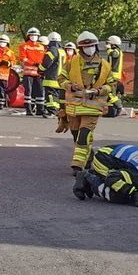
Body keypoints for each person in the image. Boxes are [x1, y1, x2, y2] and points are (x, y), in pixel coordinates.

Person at [62, 31, 113, 175]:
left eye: (92, 46)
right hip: (74, 107)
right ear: (80, 48)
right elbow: (61, 78)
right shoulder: (71, 62)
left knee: (84, 135)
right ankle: (89, 158)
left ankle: (77, 165)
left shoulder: (105, 66)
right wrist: (70, 86)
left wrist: (99, 91)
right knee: (76, 135)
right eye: (86, 47)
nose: (89, 49)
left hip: (92, 107)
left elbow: (112, 85)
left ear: (96, 47)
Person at [18, 27, 47, 117]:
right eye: (32, 35)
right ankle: (29, 109)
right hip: (28, 73)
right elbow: (23, 58)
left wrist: (42, 67)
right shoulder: (24, 46)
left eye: (35, 35)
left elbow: (44, 59)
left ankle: (40, 109)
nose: (34, 37)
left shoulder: (41, 47)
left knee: (39, 91)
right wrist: (33, 63)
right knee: (28, 92)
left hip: (39, 73)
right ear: (28, 36)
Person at [40, 32, 64, 116]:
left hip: (51, 77)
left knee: (50, 95)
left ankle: (52, 112)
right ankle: (56, 111)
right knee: (56, 96)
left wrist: (40, 69)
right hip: (60, 77)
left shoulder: (52, 50)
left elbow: (46, 63)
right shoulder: (62, 51)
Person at [55, 41, 77, 132]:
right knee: (62, 104)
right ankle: (62, 121)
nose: (69, 51)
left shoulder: (77, 59)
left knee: (72, 106)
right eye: (67, 49)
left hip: (73, 86)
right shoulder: (63, 57)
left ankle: (69, 123)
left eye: (71, 49)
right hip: (63, 83)